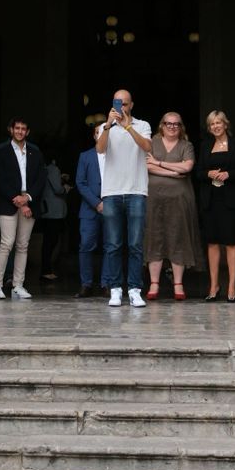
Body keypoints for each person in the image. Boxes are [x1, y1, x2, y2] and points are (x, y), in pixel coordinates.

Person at [96, 89, 152, 309]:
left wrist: (128, 126)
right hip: (111, 192)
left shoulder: (142, 125)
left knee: (135, 244)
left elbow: (147, 147)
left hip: (136, 190)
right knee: (113, 245)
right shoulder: (105, 126)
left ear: (132, 105)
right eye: (118, 103)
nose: (122, 108)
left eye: (125, 104)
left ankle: (135, 289)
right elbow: (100, 149)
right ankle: (115, 289)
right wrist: (109, 125)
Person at [144, 112, 201, 301]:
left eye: (176, 124)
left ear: (181, 127)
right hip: (154, 200)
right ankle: (154, 283)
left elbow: (187, 167)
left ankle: (178, 284)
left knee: (178, 237)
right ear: (162, 125)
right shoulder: (152, 143)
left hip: (180, 201)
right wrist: (172, 172)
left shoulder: (186, 145)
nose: (172, 127)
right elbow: (146, 166)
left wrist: (159, 163)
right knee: (154, 237)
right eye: (168, 123)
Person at [0, 118, 46, 300]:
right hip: (8, 201)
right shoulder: (2, 151)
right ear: (11, 130)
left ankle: (18, 285)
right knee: (6, 243)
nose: (20, 131)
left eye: (23, 129)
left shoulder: (35, 152)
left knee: (22, 245)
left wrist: (27, 198)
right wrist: (18, 199)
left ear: (27, 132)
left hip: (29, 201)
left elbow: (41, 178)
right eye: (17, 128)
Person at [197, 110, 235, 303]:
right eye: (212, 124)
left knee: (231, 242)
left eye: (218, 123)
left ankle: (231, 286)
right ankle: (213, 285)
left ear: (225, 124)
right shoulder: (205, 146)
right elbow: (198, 172)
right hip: (211, 200)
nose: (216, 126)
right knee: (212, 242)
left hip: (231, 200)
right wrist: (208, 174)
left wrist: (229, 174)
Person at [74, 145, 104, 298]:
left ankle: (108, 284)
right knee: (86, 245)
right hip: (88, 208)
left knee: (111, 246)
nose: (101, 135)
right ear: (94, 135)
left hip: (111, 206)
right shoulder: (85, 156)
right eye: (98, 133)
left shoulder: (116, 154)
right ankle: (86, 284)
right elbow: (80, 182)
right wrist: (96, 203)